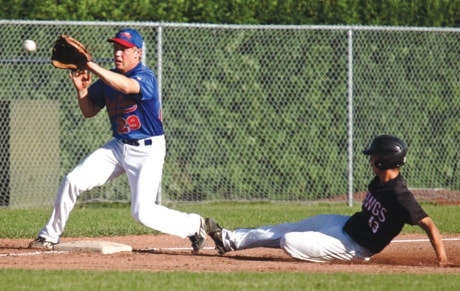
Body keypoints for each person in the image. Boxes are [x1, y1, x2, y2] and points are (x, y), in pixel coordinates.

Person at [29, 28, 207, 253]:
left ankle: (194, 225)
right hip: (119, 146)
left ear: (137, 53)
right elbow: (89, 111)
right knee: (73, 179)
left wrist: (90, 64)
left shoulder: (145, 76)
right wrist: (82, 91)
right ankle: (49, 235)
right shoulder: (107, 79)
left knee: (142, 213)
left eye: (124, 48)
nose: (118, 52)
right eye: (116, 47)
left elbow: (126, 86)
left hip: (148, 149)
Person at [205, 135, 451, 266]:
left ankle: (235, 242)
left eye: (374, 155)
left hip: (355, 247)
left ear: (384, 161)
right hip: (344, 226)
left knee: (290, 240)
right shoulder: (380, 180)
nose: (370, 159)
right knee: (290, 227)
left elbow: (428, 224)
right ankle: (229, 240)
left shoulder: (400, 196)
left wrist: (441, 260)